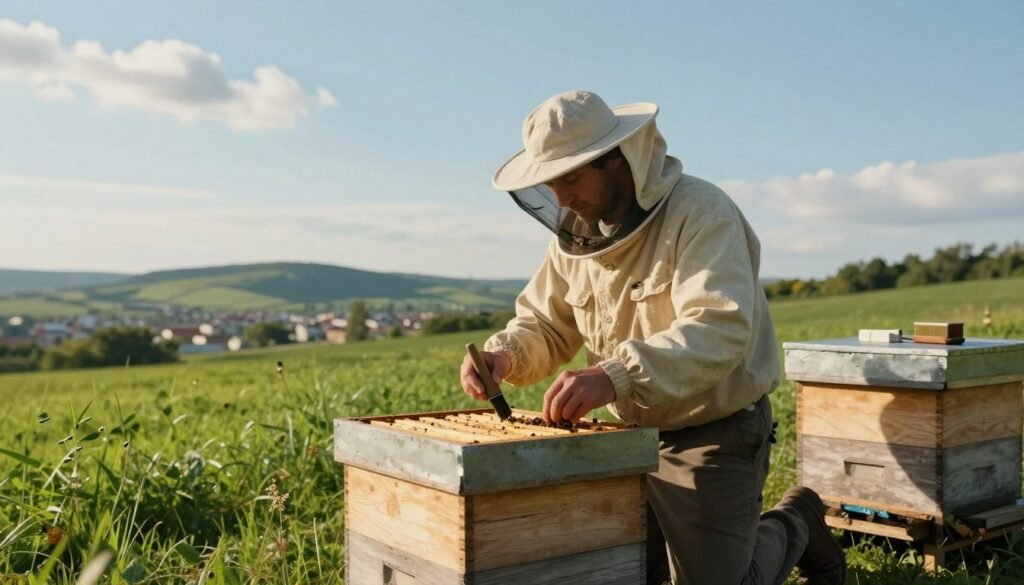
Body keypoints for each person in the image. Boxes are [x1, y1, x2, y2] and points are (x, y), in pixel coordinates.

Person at [459, 90, 845, 585]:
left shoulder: (702, 214)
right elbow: (545, 322)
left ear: (617, 161)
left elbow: (717, 327)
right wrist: (504, 356)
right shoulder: (578, 238)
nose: (561, 198)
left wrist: (614, 375)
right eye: (550, 184)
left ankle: (796, 524)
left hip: (712, 431)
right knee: (614, 568)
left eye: (571, 178)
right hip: (628, 440)